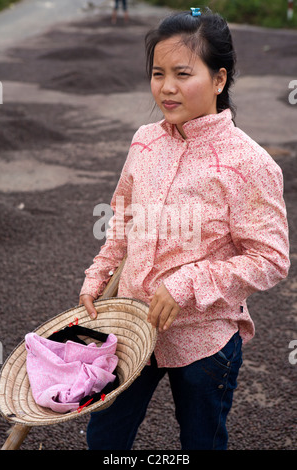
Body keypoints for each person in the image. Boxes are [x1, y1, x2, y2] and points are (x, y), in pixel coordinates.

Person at [79, 9, 290, 450]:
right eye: (158, 73)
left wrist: (186, 284)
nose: (166, 87)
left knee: (201, 441)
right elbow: (122, 220)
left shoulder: (249, 163)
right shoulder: (144, 140)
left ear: (219, 79)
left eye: (182, 73)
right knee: (103, 440)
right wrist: (96, 278)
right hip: (132, 328)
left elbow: (271, 260)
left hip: (205, 340)